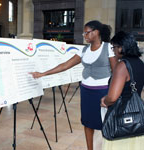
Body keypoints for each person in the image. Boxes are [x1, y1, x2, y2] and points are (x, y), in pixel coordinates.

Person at [30, 20, 117, 150]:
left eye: (87, 32)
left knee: (106, 123)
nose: (84, 36)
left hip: (103, 93)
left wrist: (113, 94)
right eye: (84, 33)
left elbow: (116, 73)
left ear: (96, 32)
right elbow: (65, 65)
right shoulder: (83, 50)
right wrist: (43, 73)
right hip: (86, 91)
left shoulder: (108, 48)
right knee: (87, 123)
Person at [101, 31, 144, 150]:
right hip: (136, 120)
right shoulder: (140, 63)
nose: (113, 51)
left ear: (121, 47)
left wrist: (105, 100)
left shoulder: (122, 66)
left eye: (113, 47)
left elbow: (113, 97)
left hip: (122, 120)